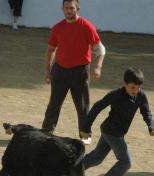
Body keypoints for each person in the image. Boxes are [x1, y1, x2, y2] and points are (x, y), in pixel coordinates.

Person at [55, 68, 154, 176]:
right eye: (132, 87)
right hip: (111, 133)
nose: (135, 90)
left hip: (116, 132)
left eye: (138, 87)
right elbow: (97, 107)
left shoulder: (141, 95)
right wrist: (86, 127)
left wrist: (151, 125)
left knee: (96, 158)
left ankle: (63, 175)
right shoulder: (116, 94)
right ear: (124, 83)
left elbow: (146, 112)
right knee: (126, 162)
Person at [42, 0, 106, 137]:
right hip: (59, 70)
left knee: (82, 106)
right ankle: (46, 133)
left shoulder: (86, 26)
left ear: (77, 8)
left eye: (72, 8)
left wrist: (98, 67)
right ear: (62, 9)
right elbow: (51, 49)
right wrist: (47, 70)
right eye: (66, 8)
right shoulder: (58, 27)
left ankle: (85, 136)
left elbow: (100, 49)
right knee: (54, 103)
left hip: (80, 71)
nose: (69, 11)